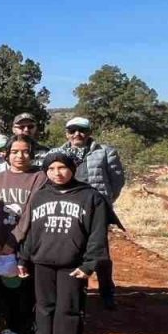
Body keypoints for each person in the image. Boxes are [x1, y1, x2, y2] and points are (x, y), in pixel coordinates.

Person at [16, 152, 110, 334]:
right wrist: (24, 257)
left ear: (72, 168)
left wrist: (89, 264)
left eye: (62, 168)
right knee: (45, 306)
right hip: (43, 261)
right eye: (51, 169)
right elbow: (31, 231)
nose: (56, 173)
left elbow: (97, 234)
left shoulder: (90, 197)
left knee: (69, 308)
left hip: (72, 263)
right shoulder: (40, 196)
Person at [0, 135, 45, 334]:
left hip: (25, 245)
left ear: (32, 153)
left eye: (25, 151)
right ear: (7, 154)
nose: (20, 155)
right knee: (4, 287)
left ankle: (29, 330)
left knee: (26, 289)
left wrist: (13, 242)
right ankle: (12, 326)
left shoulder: (39, 177)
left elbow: (31, 213)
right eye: (15, 151)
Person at [60, 116, 125, 310]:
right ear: (67, 133)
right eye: (72, 130)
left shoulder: (105, 152)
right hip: (69, 209)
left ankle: (107, 292)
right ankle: (78, 290)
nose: (77, 134)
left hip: (97, 209)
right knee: (73, 250)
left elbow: (117, 181)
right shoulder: (59, 153)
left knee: (100, 251)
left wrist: (103, 201)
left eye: (81, 130)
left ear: (89, 132)